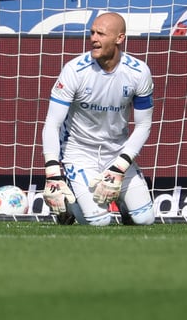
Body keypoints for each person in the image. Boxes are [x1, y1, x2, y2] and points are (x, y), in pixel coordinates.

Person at [40, 12, 156, 226]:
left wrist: (119, 167)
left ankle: (124, 203)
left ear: (119, 38)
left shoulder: (139, 72)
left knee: (145, 220)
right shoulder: (74, 70)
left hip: (116, 152)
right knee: (99, 222)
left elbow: (143, 125)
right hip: (80, 153)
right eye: (92, 32)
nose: (93, 38)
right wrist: (53, 173)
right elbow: (52, 124)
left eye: (101, 34)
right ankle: (68, 205)